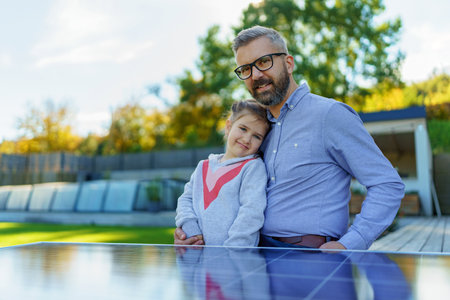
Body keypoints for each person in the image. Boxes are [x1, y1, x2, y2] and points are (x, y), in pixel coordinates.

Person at [175, 26, 405, 250]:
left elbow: (387, 184)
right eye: (245, 69)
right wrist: (191, 233)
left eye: (264, 61)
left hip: (310, 260)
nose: (255, 75)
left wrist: (351, 243)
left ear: (289, 63)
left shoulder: (330, 115)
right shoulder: (259, 129)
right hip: (255, 257)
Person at [175, 99, 269, 246]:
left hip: (233, 261)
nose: (247, 139)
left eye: (257, 136)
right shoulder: (203, 166)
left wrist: (233, 250)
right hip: (198, 257)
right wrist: (191, 232)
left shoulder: (253, 167)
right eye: (243, 129)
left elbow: (251, 212)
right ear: (228, 126)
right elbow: (185, 200)